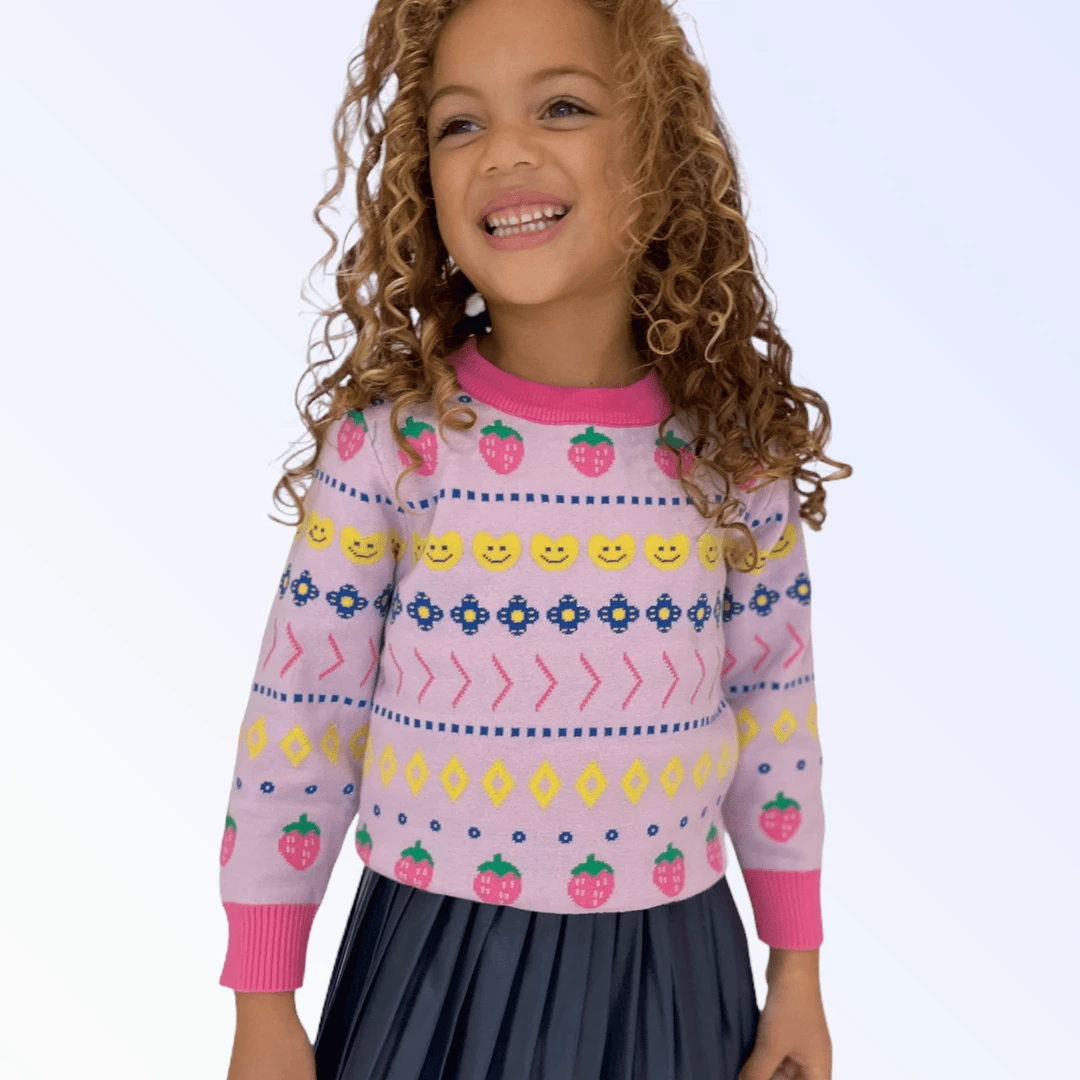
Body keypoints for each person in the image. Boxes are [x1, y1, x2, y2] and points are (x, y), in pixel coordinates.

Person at [220, 1, 851, 1077]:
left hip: (673, 971)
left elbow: (774, 721)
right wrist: (262, 1004)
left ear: (660, 150)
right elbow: (300, 722)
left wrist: (798, 974)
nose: (504, 151)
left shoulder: (734, 461)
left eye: (561, 107)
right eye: (460, 123)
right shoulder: (393, 449)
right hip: (432, 963)